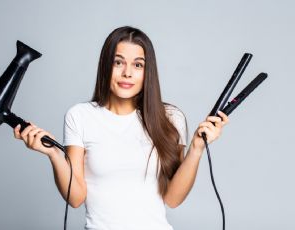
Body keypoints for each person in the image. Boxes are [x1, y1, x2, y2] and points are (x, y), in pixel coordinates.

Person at [13, 26, 229, 230]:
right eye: (118, 62)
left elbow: (173, 199)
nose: (127, 73)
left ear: (147, 72)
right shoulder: (80, 116)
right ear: (106, 66)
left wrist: (197, 149)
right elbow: (76, 198)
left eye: (138, 65)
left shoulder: (171, 118)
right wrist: (53, 154)